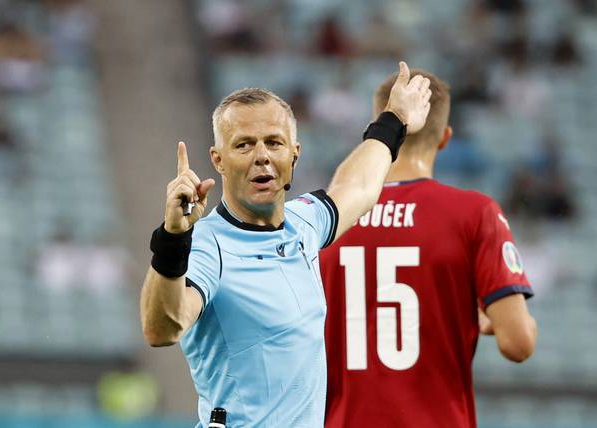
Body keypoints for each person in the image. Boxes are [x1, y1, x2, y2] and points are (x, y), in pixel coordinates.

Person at [140, 62, 431, 427]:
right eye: (243, 144)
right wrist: (172, 237)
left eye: (273, 142)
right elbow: (162, 329)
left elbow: (358, 188)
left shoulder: (303, 223)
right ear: (219, 160)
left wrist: (394, 119)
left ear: (294, 153)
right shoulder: (206, 245)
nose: (261, 155)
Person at [320, 69, 538, 428]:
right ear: (445, 138)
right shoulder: (474, 213)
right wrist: (508, 321)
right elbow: (519, 344)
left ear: (377, 127)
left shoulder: (325, 219)